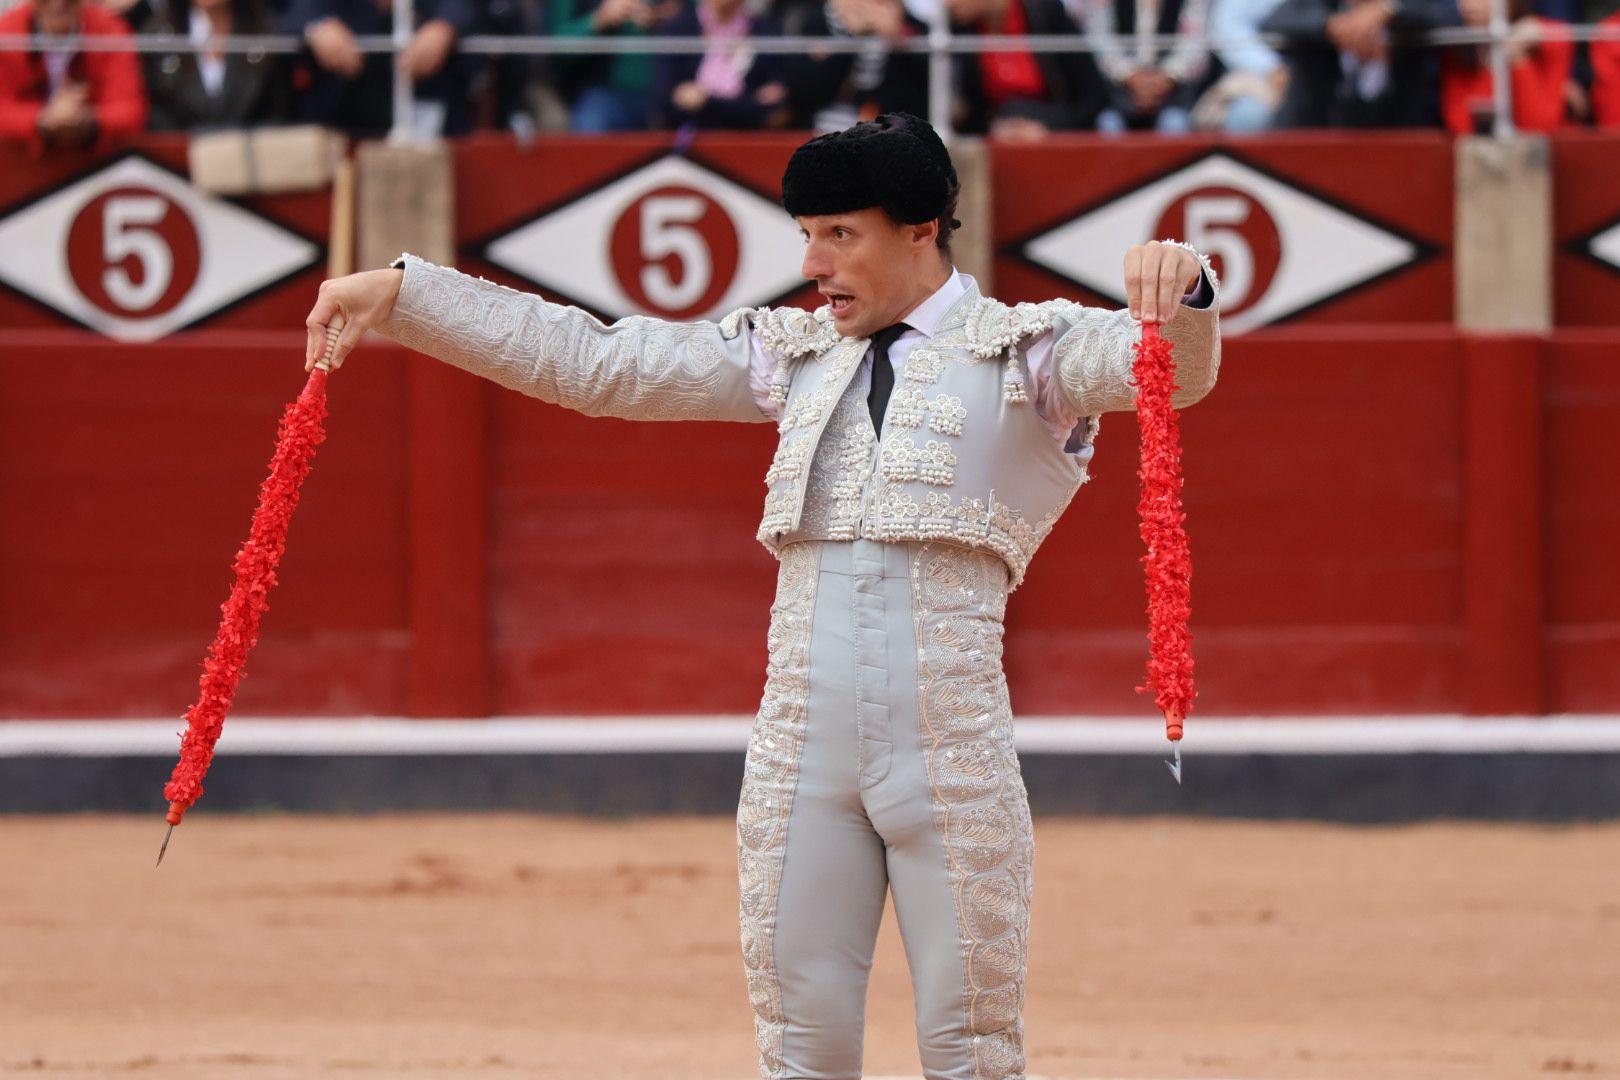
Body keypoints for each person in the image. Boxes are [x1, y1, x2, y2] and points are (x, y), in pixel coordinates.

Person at [301, 113, 1222, 1080]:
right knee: (800, 1053)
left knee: (975, 1052)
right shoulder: (792, 354)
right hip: (797, 759)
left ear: (922, 230)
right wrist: (409, 295)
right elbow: (599, 365)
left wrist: (1187, 291)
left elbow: (1168, 372)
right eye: (806, 234)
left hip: (954, 761)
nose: (815, 262)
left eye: (841, 234)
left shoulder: (1028, 354)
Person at [284, 0, 479, 136]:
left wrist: (445, 26)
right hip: (342, 126)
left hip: (432, 129)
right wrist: (316, 26)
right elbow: (293, 15)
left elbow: (469, 11)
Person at [1262, 0, 1455, 127]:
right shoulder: (1320, 7)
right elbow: (1272, 23)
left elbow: (1448, 18)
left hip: (1401, 136)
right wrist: (1330, 27)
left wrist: (1389, 10)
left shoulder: (1407, 11)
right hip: (1317, 133)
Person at [0, 0, 147, 153]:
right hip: (21, 161)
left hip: (97, 162)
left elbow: (130, 111)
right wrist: (42, 120)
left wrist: (87, 120)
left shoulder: (110, 31)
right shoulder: (7, 34)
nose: (57, 4)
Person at [141, 0, 291, 130]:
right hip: (180, 157)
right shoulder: (157, 37)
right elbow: (159, 116)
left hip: (251, 153)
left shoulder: (269, 34)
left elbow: (278, 113)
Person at [651, 0, 791, 130]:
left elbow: (775, 112)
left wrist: (705, 101)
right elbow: (664, 105)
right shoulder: (678, 30)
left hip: (749, 142)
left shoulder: (767, 31)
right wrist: (749, 102)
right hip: (689, 144)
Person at [1440, 0, 1572, 133]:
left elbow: (1539, 125)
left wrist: (1517, 61)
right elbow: (1459, 124)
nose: (1468, 5)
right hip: (1479, 150)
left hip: (1549, 150)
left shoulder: (1549, 38)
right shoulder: (1457, 42)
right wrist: (1491, 64)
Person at [1085, 0, 1213, 132]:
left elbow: (1195, 43)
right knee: (1108, 124)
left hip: (1174, 96)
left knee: (1175, 123)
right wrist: (1129, 75)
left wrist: (1167, 76)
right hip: (1117, 96)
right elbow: (1098, 40)